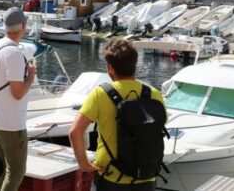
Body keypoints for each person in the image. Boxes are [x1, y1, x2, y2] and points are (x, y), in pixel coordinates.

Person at [69, 39, 166, 190]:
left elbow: (75, 132)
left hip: (111, 177)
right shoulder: (154, 94)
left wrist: (84, 164)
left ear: (110, 68)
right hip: (146, 177)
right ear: (134, 65)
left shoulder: (101, 94)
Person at [0, 7, 36, 191]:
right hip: (11, 123)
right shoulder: (13, 53)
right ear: (23, 26)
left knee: (0, 170)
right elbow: (17, 92)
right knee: (16, 171)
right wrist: (30, 76)